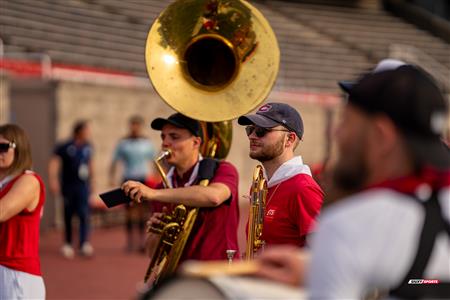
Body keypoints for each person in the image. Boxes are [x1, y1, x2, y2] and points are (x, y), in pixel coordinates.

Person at [255, 59, 450, 298]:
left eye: (347, 122)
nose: (337, 133)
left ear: (382, 135)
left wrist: (328, 267)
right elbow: (425, 281)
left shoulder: (347, 227)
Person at [122, 113, 240, 263]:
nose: (165, 143)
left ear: (196, 142)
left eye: (174, 137)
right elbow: (153, 255)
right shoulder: (162, 187)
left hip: (219, 270)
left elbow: (214, 197)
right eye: (163, 137)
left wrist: (154, 193)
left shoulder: (223, 169)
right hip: (182, 276)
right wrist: (158, 232)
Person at [237, 103, 324, 247]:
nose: (252, 136)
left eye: (261, 131)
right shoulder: (260, 185)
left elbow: (321, 251)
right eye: (250, 129)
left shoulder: (303, 188)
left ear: (289, 139)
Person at [0, 124, 46, 299]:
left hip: (17, 274)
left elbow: (2, 212)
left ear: (19, 149)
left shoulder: (28, 181)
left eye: (3, 147)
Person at [48, 120, 95, 259]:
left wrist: (93, 181)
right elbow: (54, 163)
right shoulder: (65, 146)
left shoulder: (88, 147)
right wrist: (53, 180)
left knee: (84, 214)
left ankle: (83, 243)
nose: (88, 133)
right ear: (79, 131)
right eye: (86, 130)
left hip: (83, 186)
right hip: (69, 186)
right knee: (68, 214)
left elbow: (91, 163)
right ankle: (68, 243)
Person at [110, 115, 156, 253]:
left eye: (137, 125)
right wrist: (112, 177)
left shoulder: (146, 143)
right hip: (128, 179)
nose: (134, 128)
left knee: (143, 212)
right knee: (129, 212)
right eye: (132, 125)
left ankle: (142, 243)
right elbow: (115, 161)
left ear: (140, 126)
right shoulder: (123, 143)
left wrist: (156, 177)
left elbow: (154, 162)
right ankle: (130, 242)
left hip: (142, 179)